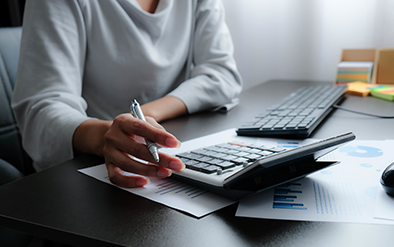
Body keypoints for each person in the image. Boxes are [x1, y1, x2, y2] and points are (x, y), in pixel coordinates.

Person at [12, 0, 243, 188]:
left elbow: (221, 74)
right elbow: (41, 112)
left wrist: (143, 117)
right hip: (84, 178)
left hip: (164, 156)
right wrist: (106, 135)